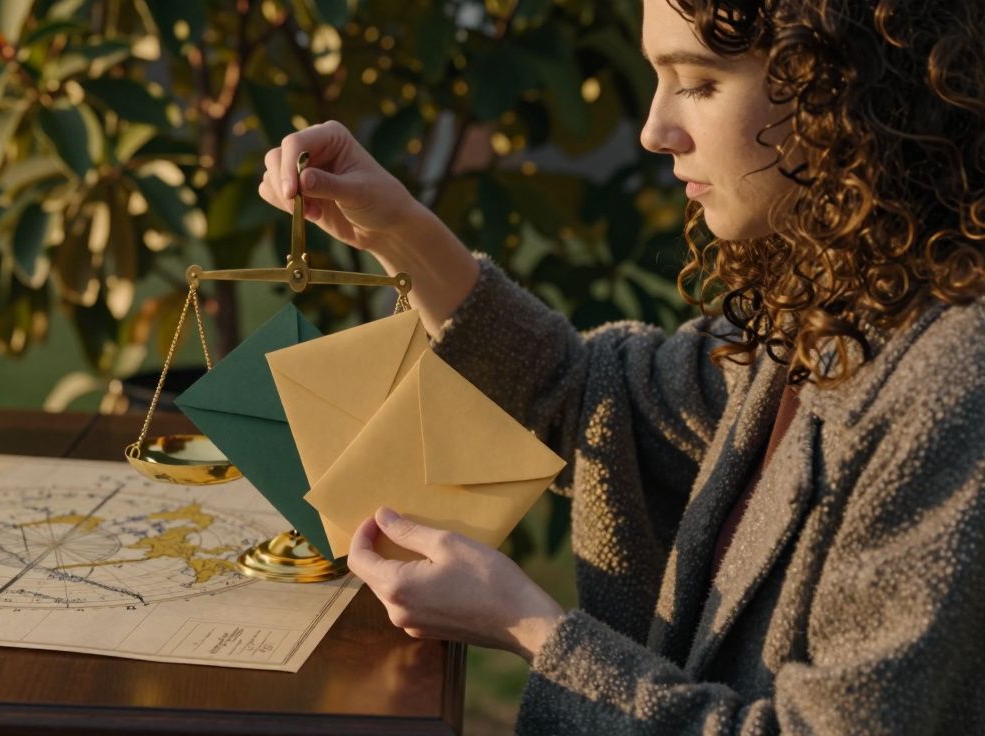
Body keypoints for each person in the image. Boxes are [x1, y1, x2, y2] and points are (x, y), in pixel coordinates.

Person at [257, 0, 984, 732]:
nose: (655, 130)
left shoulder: (955, 388)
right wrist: (401, 231)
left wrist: (531, 629)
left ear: (844, 88)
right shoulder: (841, 304)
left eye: (697, 82)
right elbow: (594, 400)